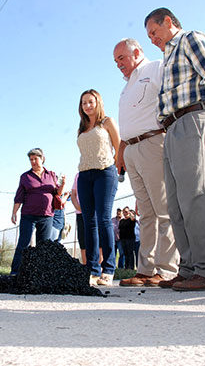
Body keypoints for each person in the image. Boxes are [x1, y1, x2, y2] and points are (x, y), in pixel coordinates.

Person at [144, 8, 205, 291]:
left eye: (154, 32)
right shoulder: (166, 59)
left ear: (168, 22)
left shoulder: (189, 39)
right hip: (171, 128)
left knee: (198, 195)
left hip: (194, 119)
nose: (152, 39)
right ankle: (189, 268)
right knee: (177, 203)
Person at [113, 37, 180, 287]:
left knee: (163, 209)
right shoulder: (125, 86)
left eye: (122, 57)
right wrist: (120, 154)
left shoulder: (155, 68)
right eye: (115, 60)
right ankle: (145, 270)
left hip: (153, 143)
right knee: (146, 213)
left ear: (137, 52)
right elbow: (126, 124)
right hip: (131, 149)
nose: (118, 64)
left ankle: (167, 270)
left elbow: (174, 96)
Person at [76, 89, 120, 286]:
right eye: (84, 103)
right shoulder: (82, 127)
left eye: (90, 102)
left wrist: (118, 171)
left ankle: (108, 269)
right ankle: (92, 269)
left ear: (98, 102)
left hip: (105, 172)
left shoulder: (107, 122)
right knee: (88, 222)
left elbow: (119, 148)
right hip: (85, 175)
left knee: (103, 219)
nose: (87, 106)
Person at [10, 148, 65, 275]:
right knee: (23, 243)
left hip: (46, 216)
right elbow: (19, 197)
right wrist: (14, 213)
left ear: (42, 159)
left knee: (44, 247)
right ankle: (15, 271)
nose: (33, 162)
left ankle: (41, 273)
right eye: (31, 159)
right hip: (28, 215)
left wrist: (62, 185)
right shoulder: (25, 177)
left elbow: (57, 193)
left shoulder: (51, 175)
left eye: (36, 159)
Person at [71, 172, 86, 264]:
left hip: (94, 213)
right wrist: (78, 207)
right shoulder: (78, 175)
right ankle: (86, 266)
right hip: (81, 213)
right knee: (83, 240)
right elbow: (73, 194)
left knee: (98, 241)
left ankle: (99, 268)